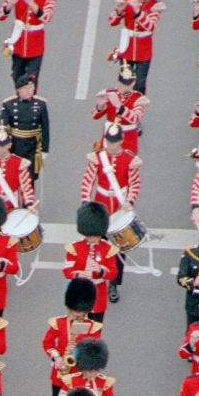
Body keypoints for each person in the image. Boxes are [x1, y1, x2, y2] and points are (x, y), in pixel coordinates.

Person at [79, 123, 141, 305]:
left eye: (114, 142)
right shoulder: (98, 158)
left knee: (119, 247)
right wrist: (85, 202)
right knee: (95, 243)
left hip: (119, 207)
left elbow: (134, 183)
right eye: (109, 141)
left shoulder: (129, 159)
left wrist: (129, 201)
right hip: (101, 204)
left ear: (121, 141)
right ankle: (91, 276)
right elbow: (88, 180)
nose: (111, 145)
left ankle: (114, 282)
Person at [0, 0, 58, 83]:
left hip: (36, 42)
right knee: (17, 75)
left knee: (32, 79)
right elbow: (1, 15)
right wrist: (11, 4)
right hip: (19, 40)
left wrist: (31, 3)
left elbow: (47, 17)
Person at [44, 279, 102, 396]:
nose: (78, 314)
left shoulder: (92, 327)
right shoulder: (58, 323)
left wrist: (77, 351)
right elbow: (47, 342)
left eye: (81, 311)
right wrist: (56, 357)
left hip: (79, 374)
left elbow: (93, 350)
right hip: (60, 373)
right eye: (75, 310)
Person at [107, 0, 163, 91]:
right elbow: (112, 21)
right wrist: (119, 10)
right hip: (127, 46)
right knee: (125, 78)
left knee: (140, 83)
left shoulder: (155, 4)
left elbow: (151, 26)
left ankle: (137, 107)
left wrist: (138, 13)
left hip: (144, 49)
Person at [52, 335, 116, 396]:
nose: (92, 374)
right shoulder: (71, 381)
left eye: (95, 370)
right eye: (88, 371)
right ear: (82, 368)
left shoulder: (105, 383)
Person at [63, 206, 115, 322]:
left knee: (94, 330)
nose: (92, 238)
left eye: (95, 235)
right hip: (78, 293)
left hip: (98, 293)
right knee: (76, 331)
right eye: (90, 235)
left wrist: (100, 270)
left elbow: (113, 273)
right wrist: (78, 275)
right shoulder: (75, 247)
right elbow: (67, 270)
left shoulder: (108, 249)